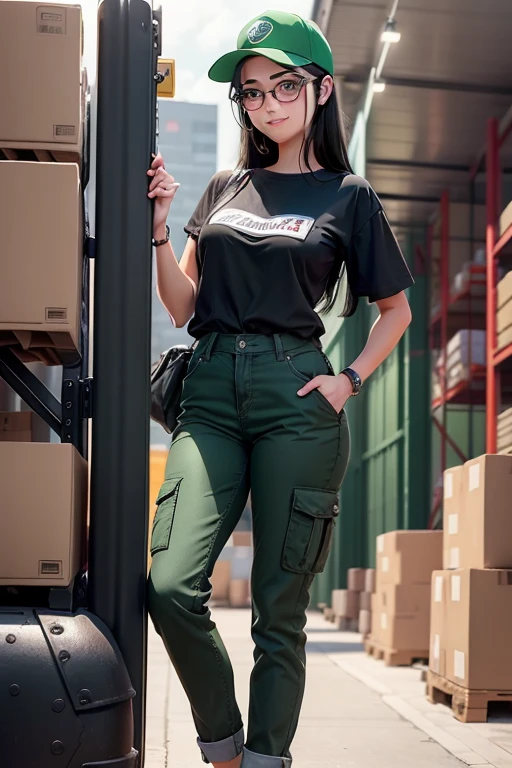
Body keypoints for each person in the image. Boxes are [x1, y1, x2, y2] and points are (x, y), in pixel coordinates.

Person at [147, 10, 414, 768]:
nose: (265, 105)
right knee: (169, 586)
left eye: (282, 87)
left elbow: (396, 311)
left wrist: (349, 379)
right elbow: (182, 306)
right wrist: (164, 229)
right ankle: (223, 746)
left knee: (279, 614)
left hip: (298, 400)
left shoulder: (349, 196)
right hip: (210, 396)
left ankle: (264, 760)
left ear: (321, 90)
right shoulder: (227, 185)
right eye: (252, 93)